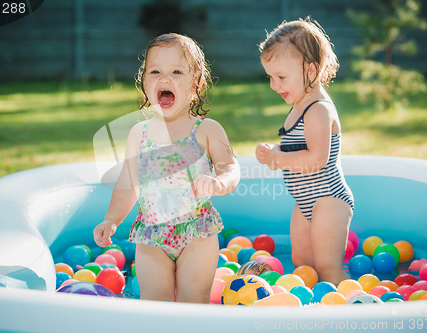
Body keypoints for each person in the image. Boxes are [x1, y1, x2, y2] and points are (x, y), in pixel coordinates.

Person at [93, 33, 240, 303]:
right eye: (155, 71)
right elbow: (128, 183)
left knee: (192, 302)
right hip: (151, 237)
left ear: (195, 85)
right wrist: (111, 219)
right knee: (155, 304)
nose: (164, 78)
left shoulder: (206, 130)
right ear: (145, 82)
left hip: (197, 232)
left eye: (176, 71)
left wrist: (220, 182)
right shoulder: (140, 134)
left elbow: (231, 167)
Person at [255, 18, 354, 285]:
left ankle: (352, 306)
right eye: (271, 77)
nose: (275, 85)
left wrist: (279, 158)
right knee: (304, 268)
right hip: (305, 202)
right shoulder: (300, 105)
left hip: (328, 200)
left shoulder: (318, 109)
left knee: (326, 269)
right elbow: (298, 147)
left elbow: (317, 159)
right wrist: (273, 150)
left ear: (311, 70)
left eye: (282, 77)